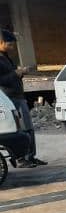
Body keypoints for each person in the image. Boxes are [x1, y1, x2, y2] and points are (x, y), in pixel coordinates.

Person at [0, 29, 46, 168]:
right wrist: (16, 73)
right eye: (10, 44)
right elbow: (2, 80)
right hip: (9, 98)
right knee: (21, 129)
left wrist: (20, 73)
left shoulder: (5, 57)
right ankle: (21, 159)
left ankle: (30, 156)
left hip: (18, 96)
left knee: (29, 128)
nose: (12, 47)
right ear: (1, 42)